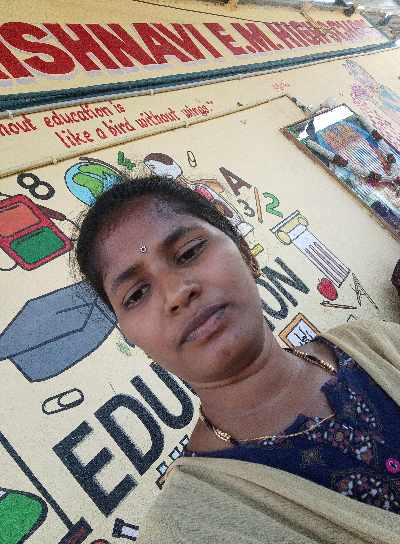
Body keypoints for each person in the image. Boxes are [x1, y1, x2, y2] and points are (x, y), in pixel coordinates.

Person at [73, 175, 400, 543]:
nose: (177, 293)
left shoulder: (377, 343)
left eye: (189, 252)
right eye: (136, 295)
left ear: (244, 251)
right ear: (132, 337)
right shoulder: (185, 529)